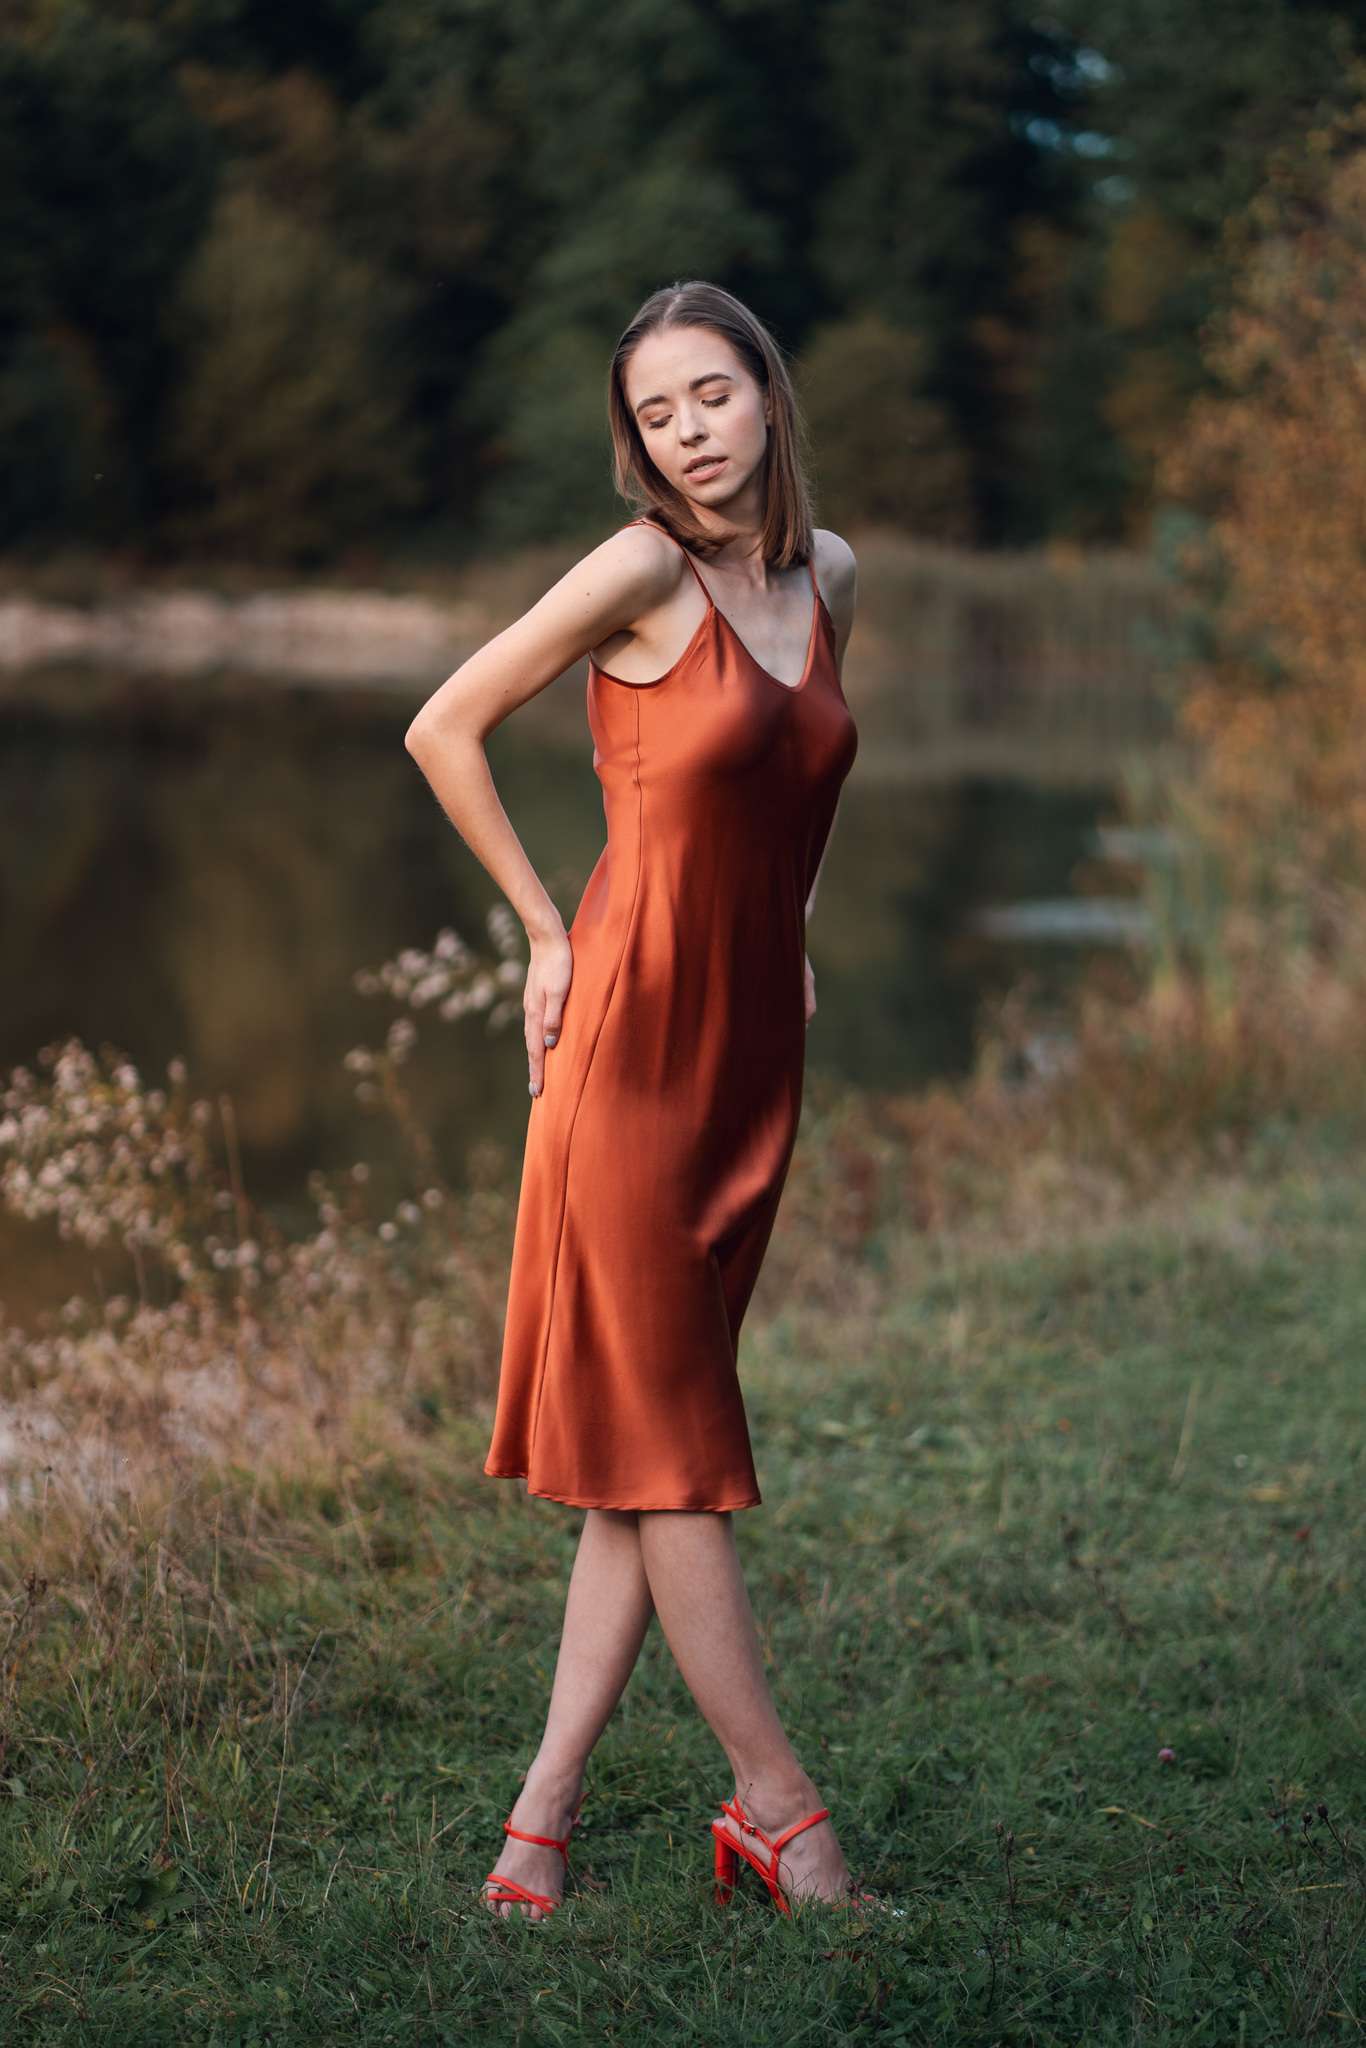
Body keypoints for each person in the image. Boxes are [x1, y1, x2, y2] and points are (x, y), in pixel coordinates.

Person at [405, 279, 892, 1922]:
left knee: (641, 1450)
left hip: (749, 1046)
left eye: (710, 394)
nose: (687, 432)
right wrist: (545, 929)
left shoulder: (826, 575)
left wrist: (797, 936)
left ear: (767, 391)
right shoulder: (636, 572)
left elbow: (803, 778)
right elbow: (443, 723)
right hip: (622, 1040)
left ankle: (534, 1828)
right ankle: (782, 1816)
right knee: (676, 1443)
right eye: (655, 413)